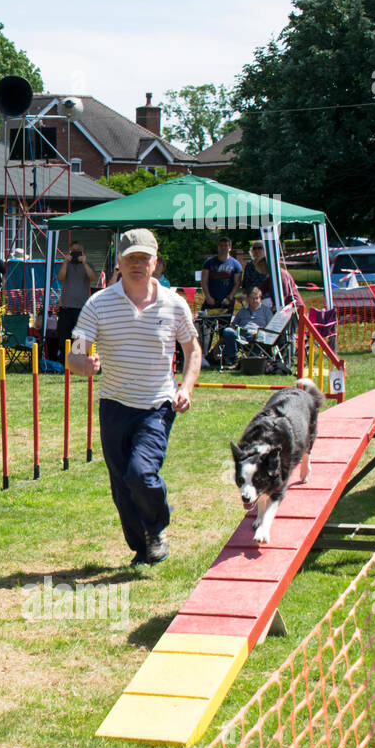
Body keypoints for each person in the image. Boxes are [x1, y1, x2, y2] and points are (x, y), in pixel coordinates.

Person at [68, 228, 200, 567]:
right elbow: (75, 356)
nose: (138, 265)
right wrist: (85, 364)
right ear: (120, 262)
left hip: (156, 405)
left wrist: (185, 387)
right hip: (113, 405)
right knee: (121, 486)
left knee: (141, 474)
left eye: (144, 258)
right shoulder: (98, 304)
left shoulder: (174, 304)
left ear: (156, 262)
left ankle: (156, 530)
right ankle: (142, 547)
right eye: (131, 259)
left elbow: (192, 350)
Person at [55, 241, 95, 363]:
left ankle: (78, 361)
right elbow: (60, 277)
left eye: (78, 250)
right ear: (69, 252)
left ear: (82, 252)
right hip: (66, 308)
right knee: (64, 337)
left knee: (79, 338)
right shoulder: (66, 265)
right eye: (74, 250)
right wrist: (66, 261)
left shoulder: (88, 265)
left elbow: (93, 278)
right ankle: (64, 361)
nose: (76, 253)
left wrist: (84, 262)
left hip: (82, 308)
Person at [220, 286, 273, 367]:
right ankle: (233, 358)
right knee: (227, 331)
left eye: (257, 298)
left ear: (260, 298)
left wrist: (259, 331)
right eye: (252, 298)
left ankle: (250, 361)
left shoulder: (266, 310)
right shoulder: (242, 310)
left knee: (259, 335)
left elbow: (271, 326)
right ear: (247, 299)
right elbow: (233, 325)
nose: (255, 301)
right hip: (242, 335)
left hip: (258, 336)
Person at [200, 236, 242, 313]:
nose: (223, 248)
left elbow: (237, 283)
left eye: (225, 245)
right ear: (218, 247)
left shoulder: (236, 264)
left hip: (227, 301)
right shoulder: (209, 262)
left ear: (230, 248)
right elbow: (204, 281)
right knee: (207, 323)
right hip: (211, 300)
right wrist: (208, 297)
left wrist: (229, 298)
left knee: (225, 324)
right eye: (221, 246)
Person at [240, 241, 273, 309]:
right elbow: (245, 283)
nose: (257, 250)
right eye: (254, 248)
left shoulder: (269, 264)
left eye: (260, 248)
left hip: (265, 299)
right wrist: (245, 295)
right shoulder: (249, 265)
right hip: (250, 299)